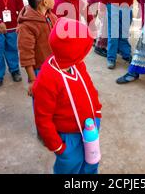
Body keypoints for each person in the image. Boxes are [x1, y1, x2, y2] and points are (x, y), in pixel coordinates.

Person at [33, 18, 102, 174]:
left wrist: (97, 112)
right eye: (84, 49)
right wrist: (58, 146)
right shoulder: (47, 79)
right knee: (71, 166)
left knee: (91, 161)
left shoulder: (76, 64)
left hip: (90, 127)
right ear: (72, 53)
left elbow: (90, 89)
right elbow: (43, 118)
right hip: (68, 137)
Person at [17, 0, 58, 96]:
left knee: (54, 96)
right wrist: (32, 79)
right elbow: (26, 54)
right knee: (41, 97)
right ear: (45, 2)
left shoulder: (50, 15)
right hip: (40, 69)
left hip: (54, 64)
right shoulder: (27, 26)